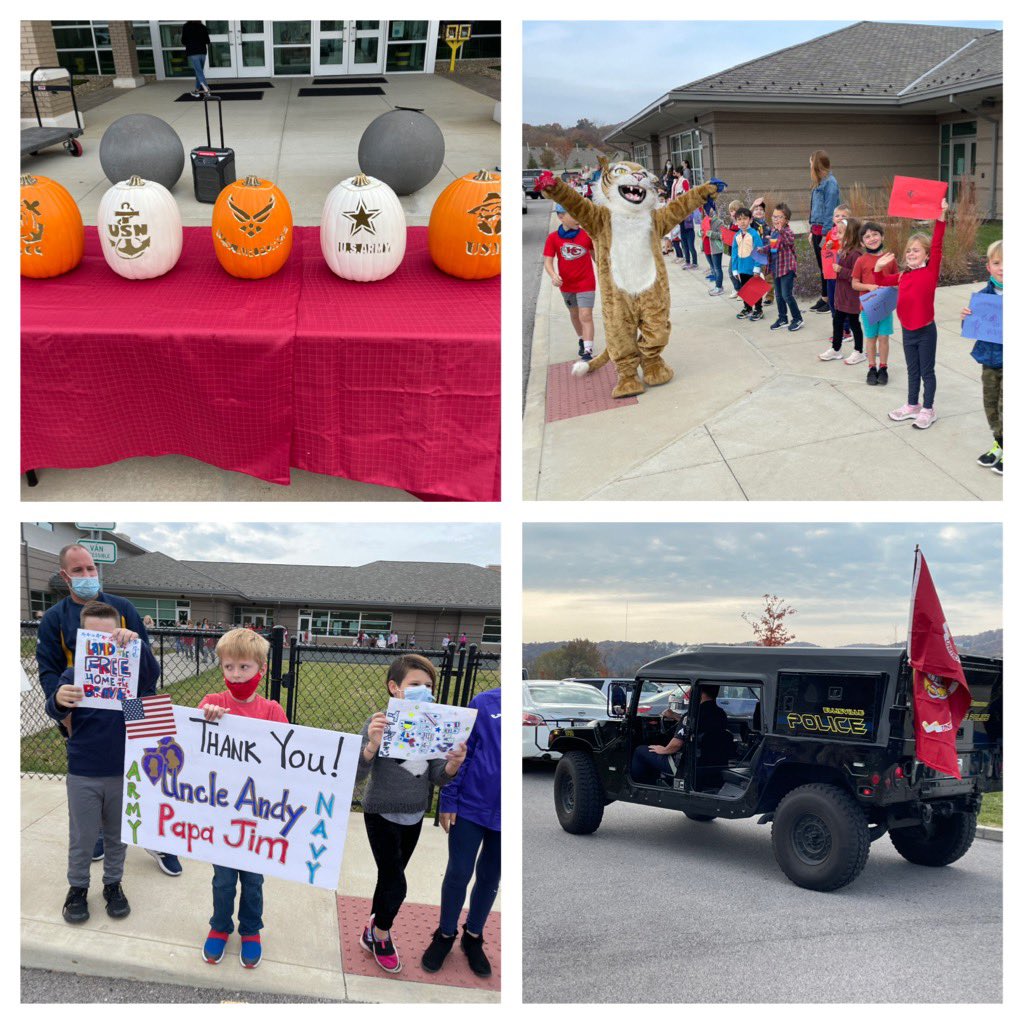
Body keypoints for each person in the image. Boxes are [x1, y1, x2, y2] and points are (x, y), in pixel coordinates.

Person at [35, 544, 179, 875]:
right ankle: (102, 834)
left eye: (91, 568)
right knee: (99, 779)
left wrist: (145, 714)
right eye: (78, 570)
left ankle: (155, 839)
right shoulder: (56, 619)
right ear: (64, 576)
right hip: (85, 715)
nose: (87, 575)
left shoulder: (124, 608)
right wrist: (64, 713)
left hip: (135, 707)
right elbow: (49, 672)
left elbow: (148, 670)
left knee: (146, 777)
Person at [41, 601, 160, 924]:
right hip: (83, 771)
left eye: (111, 636)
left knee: (117, 836)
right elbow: (56, 710)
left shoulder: (132, 676)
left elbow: (151, 682)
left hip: (124, 770)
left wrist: (136, 645)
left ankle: (113, 884)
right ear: (81, 640)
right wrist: (57, 700)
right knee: (82, 836)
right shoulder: (74, 676)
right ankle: (77, 888)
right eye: (94, 638)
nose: (105, 644)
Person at [357, 655, 467, 974]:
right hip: (380, 812)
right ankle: (381, 935)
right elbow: (357, 773)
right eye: (415, 685)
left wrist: (453, 764)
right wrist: (371, 746)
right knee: (398, 883)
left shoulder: (434, 724)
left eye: (429, 686)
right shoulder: (378, 722)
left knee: (388, 879)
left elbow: (437, 776)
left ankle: (371, 930)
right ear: (395, 688)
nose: (424, 691)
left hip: (414, 814)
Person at [198, 628, 288, 969]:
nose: (236, 674)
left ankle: (251, 929)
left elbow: (287, 759)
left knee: (253, 881)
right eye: (229, 667)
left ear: (260, 669)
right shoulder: (213, 703)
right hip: (221, 812)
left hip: (258, 814)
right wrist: (207, 720)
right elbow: (195, 749)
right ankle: (220, 925)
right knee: (222, 880)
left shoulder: (272, 711)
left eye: (244, 667)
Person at [421, 686, 501, 978]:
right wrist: (450, 797)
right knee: (458, 871)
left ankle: (474, 936)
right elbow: (461, 752)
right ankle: (445, 934)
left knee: (491, 876)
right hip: (471, 806)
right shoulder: (485, 702)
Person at [875, 198, 948, 429]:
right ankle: (912, 405)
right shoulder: (903, 275)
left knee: (927, 371)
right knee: (912, 370)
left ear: (926, 255)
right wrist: (877, 269)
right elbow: (882, 281)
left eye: (916, 250)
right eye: (908, 250)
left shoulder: (930, 271)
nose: (911, 253)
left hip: (926, 330)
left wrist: (941, 216)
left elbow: (937, 243)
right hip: (908, 330)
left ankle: (928, 409)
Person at [630, 684, 732, 785]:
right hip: (712, 763)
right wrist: (676, 716)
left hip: (685, 765)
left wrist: (664, 750)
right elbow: (697, 727)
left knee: (640, 751)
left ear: (699, 692)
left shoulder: (693, 714)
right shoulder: (720, 714)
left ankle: (641, 787)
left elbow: (676, 745)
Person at [961, 239, 1003, 474]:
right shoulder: (982, 296)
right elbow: (973, 327)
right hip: (989, 359)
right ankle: (1000, 443)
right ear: (988, 266)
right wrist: (967, 317)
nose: (1002, 267)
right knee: (991, 405)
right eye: (997, 262)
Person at [851, 221, 894, 385]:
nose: (872, 238)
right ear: (862, 242)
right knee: (871, 338)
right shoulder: (861, 261)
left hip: (885, 305)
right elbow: (854, 283)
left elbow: (896, 279)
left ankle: (883, 368)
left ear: (882, 236)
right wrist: (869, 286)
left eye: (875, 234)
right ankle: (871, 367)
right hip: (867, 306)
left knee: (884, 337)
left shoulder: (889, 258)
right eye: (867, 236)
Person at [819, 216, 865, 364]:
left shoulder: (856, 254)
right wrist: (832, 249)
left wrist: (841, 270)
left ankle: (859, 351)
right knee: (837, 321)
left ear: (850, 235)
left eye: (840, 233)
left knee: (854, 323)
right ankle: (836, 349)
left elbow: (857, 276)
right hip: (842, 294)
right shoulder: (845, 250)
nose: (837, 235)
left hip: (851, 296)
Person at [808, 150, 841, 313]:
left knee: (827, 266)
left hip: (825, 233)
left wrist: (824, 235)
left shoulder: (830, 183)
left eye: (810, 163)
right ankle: (824, 297)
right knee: (822, 267)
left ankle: (830, 300)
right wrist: (811, 229)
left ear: (816, 165)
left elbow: (830, 211)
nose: (809, 166)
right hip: (816, 230)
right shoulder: (819, 183)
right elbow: (814, 208)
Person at [768, 203, 803, 332]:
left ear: (786, 220)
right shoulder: (773, 231)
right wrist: (763, 250)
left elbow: (788, 241)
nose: (776, 219)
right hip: (777, 268)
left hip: (787, 268)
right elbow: (773, 248)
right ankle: (782, 318)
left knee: (786, 295)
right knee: (778, 295)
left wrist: (780, 230)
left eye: (779, 217)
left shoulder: (788, 232)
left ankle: (798, 318)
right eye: (774, 216)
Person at [822, 204, 853, 341]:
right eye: (837, 215)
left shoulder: (850, 234)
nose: (840, 218)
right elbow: (825, 251)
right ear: (833, 218)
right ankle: (838, 329)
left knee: (842, 301)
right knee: (833, 301)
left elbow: (851, 250)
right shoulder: (830, 233)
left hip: (842, 273)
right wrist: (827, 246)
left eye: (843, 216)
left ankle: (846, 330)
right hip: (831, 273)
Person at [731, 208, 764, 321]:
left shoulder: (754, 234)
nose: (742, 222)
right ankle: (748, 308)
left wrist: (757, 267)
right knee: (745, 289)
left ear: (750, 220)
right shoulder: (736, 236)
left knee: (755, 289)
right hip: (741, 267)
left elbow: (759, 251)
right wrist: (734, 269)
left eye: (745, 219)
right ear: (736, 222)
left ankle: (758, 309)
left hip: (752, 267)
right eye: (739, 219)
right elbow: (734, 253)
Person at [703, 197, 727, 296]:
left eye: (709, 209)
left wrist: (711, 233)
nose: (708, 212)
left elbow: (723, 235)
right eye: (706, 210)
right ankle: (717, 285)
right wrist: (701, 233)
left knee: (717, 268)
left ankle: (719, 287)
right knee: (713, 268)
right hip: (707, 248)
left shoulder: (718, 222)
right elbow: (702, 233)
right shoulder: (705, 220)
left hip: (716, 248)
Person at [182, 21, 212, 98]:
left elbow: (183, 41)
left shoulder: (186, 26)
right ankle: (197, 90)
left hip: (193, 53)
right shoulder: (203, 27)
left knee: (199, 72)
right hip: (202, 53)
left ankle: (206, 90)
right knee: (199, 72)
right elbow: (207, 41)